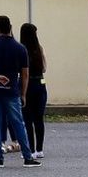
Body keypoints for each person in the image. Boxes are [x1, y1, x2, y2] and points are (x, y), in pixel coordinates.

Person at [0, 15, 40, 168]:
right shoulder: (19, 48)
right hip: (11, 91)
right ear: (10, 27)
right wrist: (23, 94)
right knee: (18, 123)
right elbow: (25, 74)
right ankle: (27, 156)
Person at [20, 23, 49, 158]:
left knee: (27, 119)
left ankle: (30, 149)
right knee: (39, 118)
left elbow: (20, 70)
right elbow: (44, 68)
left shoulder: (21, 49)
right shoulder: (39, 48)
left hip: (26, 84)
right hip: (40, 83)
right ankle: (39, 149)